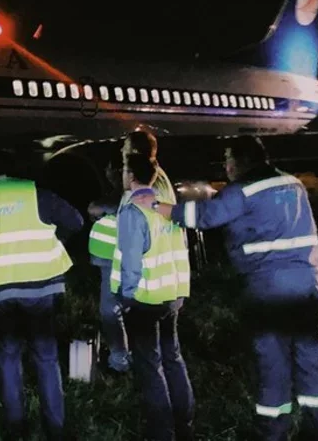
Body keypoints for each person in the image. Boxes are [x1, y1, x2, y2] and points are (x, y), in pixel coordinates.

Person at [135, 136, 318, 441]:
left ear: (240, 160)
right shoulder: (293, 183)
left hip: (269, 289)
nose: (226, 166)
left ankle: (272, 433)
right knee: (311, 361)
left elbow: (203, 217)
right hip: (310, 284)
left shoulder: (243, 190)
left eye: (228, 159)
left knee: (273, 364)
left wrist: (155, 205)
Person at [0, 150, 83, 441]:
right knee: (46, 357)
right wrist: (54, 240)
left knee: (8, 357)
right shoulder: (36, 193)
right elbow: (76, 221)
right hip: (39, 287)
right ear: (19, 171)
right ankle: (56, 429)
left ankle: (16, 429)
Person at [114, 153, 194, 440]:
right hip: (172, 295)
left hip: (145, 299)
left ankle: (162, 432)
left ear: (130, 175)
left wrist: (126, 298)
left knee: (150, 366)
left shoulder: (133, 212)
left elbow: (131, 263)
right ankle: (185, 424)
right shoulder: (165, 207)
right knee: (173, 357)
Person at [87, 130, 177, 373]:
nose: (121, 151)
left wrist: (102, 205)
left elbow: (127, 207)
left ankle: (122, 362)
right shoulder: (157, 176)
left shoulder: (147, 181)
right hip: (153, 257)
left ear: (135, 152)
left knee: (112, 309)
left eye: (125, 147)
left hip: (134, 256)